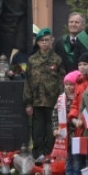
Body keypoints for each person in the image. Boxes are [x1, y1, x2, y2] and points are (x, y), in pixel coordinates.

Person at [24, 28, 64, 159]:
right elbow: (28, 82)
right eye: (42, 41)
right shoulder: (31, 60)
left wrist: (61, 101)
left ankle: (50, 155)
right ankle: (38, 156)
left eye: (47, 40)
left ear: (52, 41)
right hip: (36, 101)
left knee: (51, 130)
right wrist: (28, 103)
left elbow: (61, 81)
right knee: (37, 131)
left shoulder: (57, 60)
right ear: (38, 43)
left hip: (52, 101)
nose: (45, 43)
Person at [59, 70, 81, 175]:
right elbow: (55, 115)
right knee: (68, 158)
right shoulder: (61, 99)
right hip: (66, 133)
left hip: (76, 133)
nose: (68, 86)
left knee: (76, 157)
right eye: (66, 84)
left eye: (71, 84)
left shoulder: (78, 98)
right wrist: (56, 128)